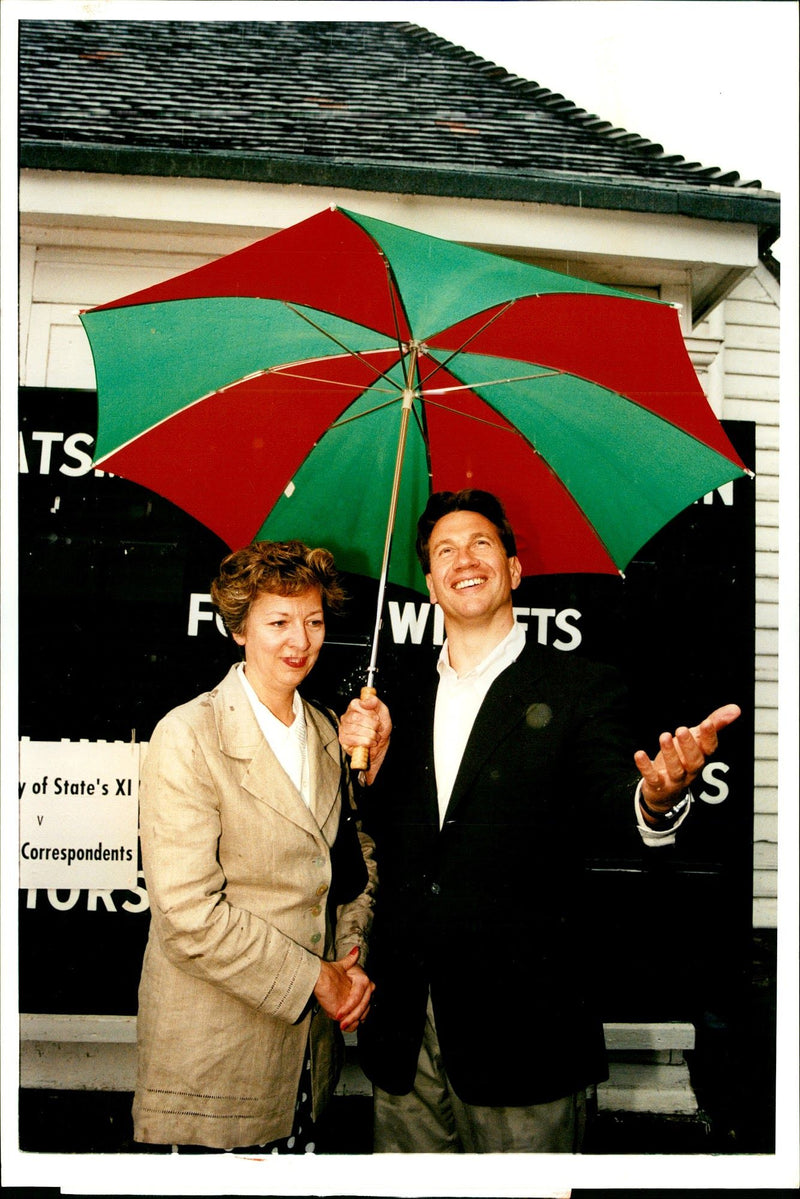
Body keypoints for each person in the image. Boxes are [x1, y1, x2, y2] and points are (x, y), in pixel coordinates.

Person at [339, 489, 740, 1154]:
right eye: (444, 551)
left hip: (526, 1029)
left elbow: (616, 799)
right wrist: (370, 767)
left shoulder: (580, 686)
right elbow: (388, 840)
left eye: (481, 544)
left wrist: (658, 796)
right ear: (431, 584)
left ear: (515, 569)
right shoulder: (394, 694)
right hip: (409, 1029)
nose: (464, 558)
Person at [132, 540, 376, 1153]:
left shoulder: (328, 732)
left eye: (314, 621)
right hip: (215, 1064)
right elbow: (188, 916)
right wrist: (317, 980)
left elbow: (353, 865)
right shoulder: (189, 734)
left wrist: (350, 960)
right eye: (279, 621)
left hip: (307, 1068)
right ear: (239, 628)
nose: (301, 640)